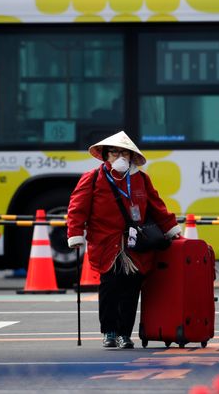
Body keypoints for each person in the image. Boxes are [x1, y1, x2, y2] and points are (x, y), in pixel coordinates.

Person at [67, 131, 181, 349]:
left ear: (130, 156)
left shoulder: (141, 179)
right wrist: (75, 235)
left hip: (136, 244)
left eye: (124, 153)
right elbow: (77, 209)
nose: (119, 157)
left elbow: (158, 207)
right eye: (114, 152)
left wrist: (171, 229)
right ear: (105, 155)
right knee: (110, 287)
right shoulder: (92, 179)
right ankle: (109, 331)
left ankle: (124, 334)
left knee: (131, 289)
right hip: (106, 244)